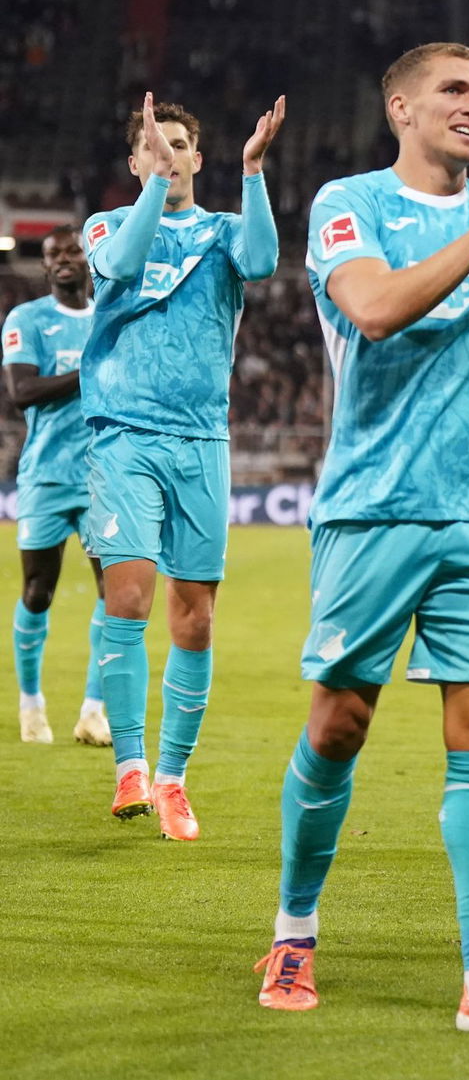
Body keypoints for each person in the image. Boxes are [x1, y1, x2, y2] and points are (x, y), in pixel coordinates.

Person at [253, 42, 469, 1037]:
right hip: (373, 509)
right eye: (455, 90)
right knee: (338, 726)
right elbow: (369, 310)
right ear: (399, 106)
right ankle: (294, 928)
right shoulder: (346, 201)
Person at [80, 92, 284, 837]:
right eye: (152, 146)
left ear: (200, 157)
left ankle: (172, 778)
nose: (166, 154)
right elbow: (123, 264)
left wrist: (254, 170)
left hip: (201, 440)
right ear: (136, 161)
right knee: (129, 595)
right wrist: (154, 190)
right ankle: (128, 766)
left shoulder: (228, 232)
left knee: (194, 617)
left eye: (178, 145)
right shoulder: (108, 224)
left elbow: (262, 262)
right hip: (124, 434)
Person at [2, 224, 110, 746]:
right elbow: (23, 391)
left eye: (72, 251)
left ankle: (94, 710)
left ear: (89, 259)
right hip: (45, 475)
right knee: (38, 593)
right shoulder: (27, 320)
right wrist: (92, 368)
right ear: (44, 266)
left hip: (103, 479)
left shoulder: (109, 318)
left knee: (114, 594)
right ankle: (31, 704)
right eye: (53, 254)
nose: (64, 259)